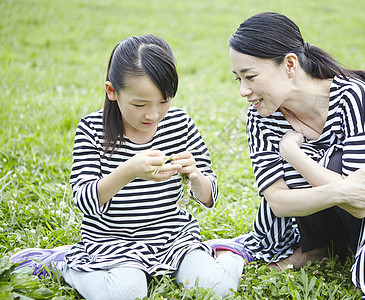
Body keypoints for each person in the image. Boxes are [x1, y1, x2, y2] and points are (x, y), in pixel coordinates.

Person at [228, 12, 365, 297]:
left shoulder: (352, 97)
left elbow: (364, 205)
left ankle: (342, 249)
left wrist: (292, 153)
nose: (244, 91)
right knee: (323, 165)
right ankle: (318, 248)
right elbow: (278, 202)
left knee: (330, 159)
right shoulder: (261, 115)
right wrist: (341, 189)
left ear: (290, 65)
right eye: (238, 79)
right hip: (326, 216)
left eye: (250, 77)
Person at [10, 34, 247, 300]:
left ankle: (228, 252)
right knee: (126, 293)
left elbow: (209, 197)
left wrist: (194, 176)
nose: (153, 115)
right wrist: (129, 170)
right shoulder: (92, 129)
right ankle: (63, 264)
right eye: (139, 104)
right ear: (112, 91)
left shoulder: (179, 123)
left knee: (218, 289)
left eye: (164, 101)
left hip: (173, 238)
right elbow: (84, 200)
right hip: (113, 242)